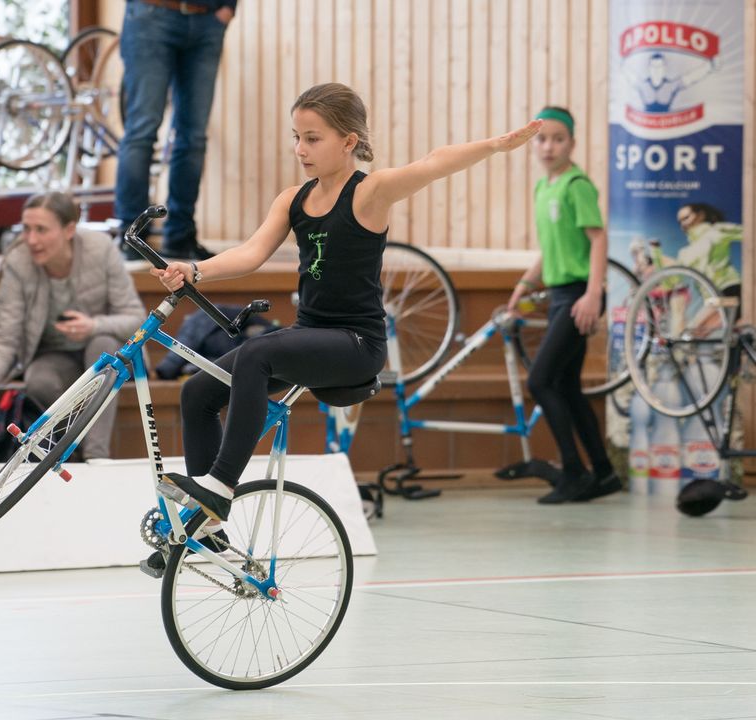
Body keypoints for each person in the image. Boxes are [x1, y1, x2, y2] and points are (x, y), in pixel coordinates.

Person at [151, 83, 540, 522]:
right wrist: (193, 270)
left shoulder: (369, 193)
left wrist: (496, 145)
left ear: (349, 141)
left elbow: (434, 163)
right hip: (309, 335)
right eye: (296, 137)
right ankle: (206, 528)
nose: (301, 149)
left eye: (313, 138)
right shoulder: (292, 200)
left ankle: (220, 486)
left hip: (356, 343)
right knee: (197, 393)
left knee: (257, 354)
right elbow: (251, 253)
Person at [0, 192, 145, 460]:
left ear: (69, 230)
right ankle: (72, 455)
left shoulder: (100, 248)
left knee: (102, 347)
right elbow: (5, 339)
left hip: (107, 351)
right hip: (54, 355)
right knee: (38, 380)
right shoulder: (17, 263)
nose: (31, 240)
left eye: (41, 230)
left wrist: (93, 325)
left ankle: (96, 457)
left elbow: (136, 317)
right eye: (26, 229)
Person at [507, 106, 620, 504]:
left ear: (572, 143)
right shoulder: (544, 188)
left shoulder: (576, 184)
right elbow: (549, 249)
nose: (549, 146)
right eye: (542, 138)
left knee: (540, 380)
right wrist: (524, 284)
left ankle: (574, 472)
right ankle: (604, 474)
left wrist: (593, 294)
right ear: (533, 143)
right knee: (567, 386)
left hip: (578, 295)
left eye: (558, 138)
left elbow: (598, 239)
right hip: (558, 294)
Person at [113, 0, 236, 261]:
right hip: (150, 15)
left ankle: (181, 236)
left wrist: (228, 7)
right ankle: (132, 237)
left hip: (207, 20)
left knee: (194, 137)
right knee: (142, 131)